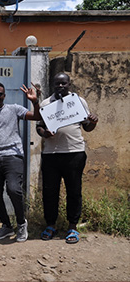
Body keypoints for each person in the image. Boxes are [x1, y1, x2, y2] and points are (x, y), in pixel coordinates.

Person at [36, 72, 98, 244]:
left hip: (74, 153)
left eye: (64, 84)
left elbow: (88, 127)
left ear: (69, 84)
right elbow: (39, 128)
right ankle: (50, 225)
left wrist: (93, 121)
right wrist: (45, 134)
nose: (60, 86)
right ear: (53, 85)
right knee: (50, 192)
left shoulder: (78, 102)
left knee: (74, 191)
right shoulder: (46, 104)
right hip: (51, 155)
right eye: (57, 84)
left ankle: (72, 226)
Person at [0, 82, 41, 242]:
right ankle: (6, 225)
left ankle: (21, 223)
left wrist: (35, 101)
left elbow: (36, 117)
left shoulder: (14, 109)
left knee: (14, 189)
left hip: (13, 156)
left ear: (4, 96)